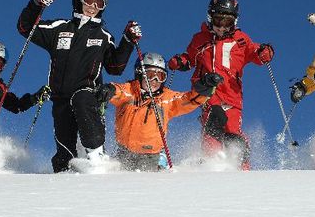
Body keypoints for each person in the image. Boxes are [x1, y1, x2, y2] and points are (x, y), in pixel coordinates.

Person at [17, 0, 142, 172]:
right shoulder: (59, 28)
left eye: (99, 4)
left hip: (88, 95)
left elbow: (115, 67)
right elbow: (26, 28)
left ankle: (96, 155)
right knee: (65, 152)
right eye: (90, 0)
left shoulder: (103, 36)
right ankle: (63, 182)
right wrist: (37, 3)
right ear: (79, 0)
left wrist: (127, 41)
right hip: (60, 98)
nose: (93, 7)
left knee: (82, 98)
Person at [168, 0, 274, 170]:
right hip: (207, 92)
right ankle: (212, 163)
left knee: (232, 132)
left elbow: (255, 53)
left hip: (232, 97)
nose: (222, 27)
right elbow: (190, 58)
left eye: (228, 22)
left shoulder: (241, 40)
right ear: (210, 18)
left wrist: (265, 53)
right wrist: (181, 61)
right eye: (218, 21)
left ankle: (241, 167)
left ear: (235, 22)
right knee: (214, 123)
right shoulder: (200, 39)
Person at [95, 52, 224, 171]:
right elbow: (119, 91)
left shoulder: (166, 99)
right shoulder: (129, 92)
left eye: (160, 76)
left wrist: (204, 87)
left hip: (151, 157)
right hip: (125, 153)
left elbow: (189, 99)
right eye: (150, 75)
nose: (155, 81)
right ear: (140, 73)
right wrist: (109, 89)